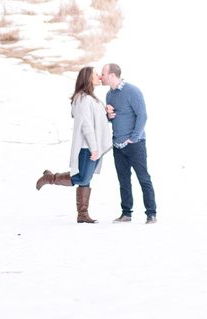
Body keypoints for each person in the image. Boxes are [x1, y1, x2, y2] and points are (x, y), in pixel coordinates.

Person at [35, 66, 110, 223]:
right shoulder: (82, 98)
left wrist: (106, 111)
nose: (99, 77)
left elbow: (97, 120)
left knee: (86, 178)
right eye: (95, 74)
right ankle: (49, 178)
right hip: (87, 147)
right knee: (82, 178)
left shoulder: (92, 98)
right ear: (87, 78)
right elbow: (86, 126)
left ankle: (83, 214)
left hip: (92, 146)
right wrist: (94, 148)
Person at [102, 63, 156, 224]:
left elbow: (143, 116)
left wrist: (133, 138)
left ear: (112, 75)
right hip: (118, 145)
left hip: (135, 144)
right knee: (123, 180)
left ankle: (151, 214)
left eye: (103, 74)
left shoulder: (132, 91)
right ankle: (126, 213)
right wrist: (108, 116)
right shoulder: (109, 95)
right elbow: (113, 119)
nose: (101, 76)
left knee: (143, 178)